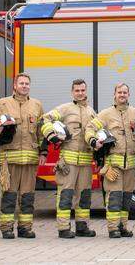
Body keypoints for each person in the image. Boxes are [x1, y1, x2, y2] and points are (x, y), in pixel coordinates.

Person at [0, 73, 44, 239]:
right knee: (9, 195)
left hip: (30, 160)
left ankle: (25, 228)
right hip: (9, 159)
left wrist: (44, 152)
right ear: (15, 86)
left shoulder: (37, 105)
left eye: (27, 83)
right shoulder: (3, 104)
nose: (24, 86)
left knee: (27, 196)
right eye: (21, 83)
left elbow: (41, 131)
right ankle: (6, 228)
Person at [41, 78, 97, 238]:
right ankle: (63, 228)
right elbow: (45, 119)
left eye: (83, 90)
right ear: (72, 92)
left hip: (86, 162)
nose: (80, 93)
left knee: (84, 195)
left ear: (86, 91)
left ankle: (82, 226)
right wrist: (51, 136)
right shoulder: (65, 109)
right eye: (77, 90)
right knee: (65, 195)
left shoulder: (92, 112)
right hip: (68, 162)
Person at [88, 82, 135, 238]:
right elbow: (91, 128)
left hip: (131, 166)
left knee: (126, 198)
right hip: (114, 166)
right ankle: (113, 228)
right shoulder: (105, 114)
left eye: (125, 92)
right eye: (120, 92)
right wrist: (93, 140)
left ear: (128, 95)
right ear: (115, 94)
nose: (122, 95)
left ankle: (123, 227)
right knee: (114, 197)